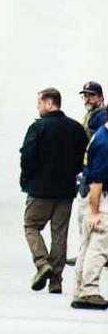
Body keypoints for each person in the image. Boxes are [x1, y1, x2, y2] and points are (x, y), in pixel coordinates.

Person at [19, 88, 87, 294]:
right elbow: (83, 157)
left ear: (49, 104)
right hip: (65, 191)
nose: (38, 107)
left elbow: (28, 156)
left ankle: (42, 263)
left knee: (31, 226)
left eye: (39, 103)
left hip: (39, 190)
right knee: (59, 235)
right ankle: (56, 281)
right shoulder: (75, 129)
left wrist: (26, 180)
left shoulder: (38, 128)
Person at [67, 81, 108, 267]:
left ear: (101, 97)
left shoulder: (101, 116)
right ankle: (86, 252)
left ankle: (93, 254)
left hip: (96, 172)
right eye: (85, 95)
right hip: (88, 170)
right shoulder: (91, 115)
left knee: (91, 215)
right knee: (85, 216)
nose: (87, 99)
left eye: (91, 95)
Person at [72, 121, 108, 309]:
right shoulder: (105, 143)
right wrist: (95, 213)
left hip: (88, 195)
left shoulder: (101, 134)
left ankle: (79, 289)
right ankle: (90, 290)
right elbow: (98, 181)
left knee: (86, 245)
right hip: (98, 198)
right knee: (99, 244)